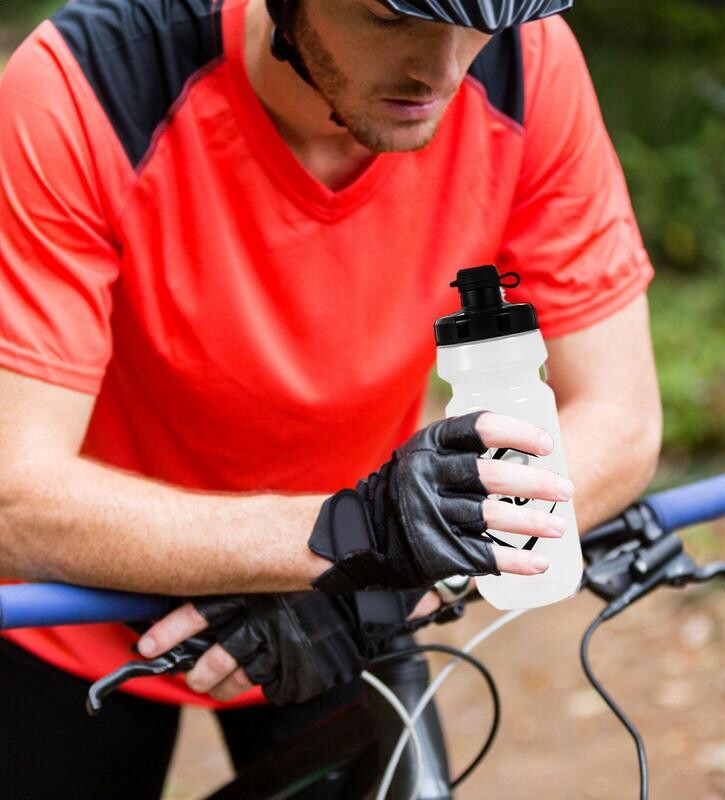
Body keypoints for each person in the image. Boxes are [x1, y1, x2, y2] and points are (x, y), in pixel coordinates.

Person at [0, 0, 662, 796]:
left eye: (475, 29)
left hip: (350, 593)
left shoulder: (526, 62)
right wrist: (348, 537)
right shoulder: (87, 84)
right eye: (388, 19)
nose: (445, 69)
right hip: (67, 611)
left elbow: (620, 420)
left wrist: (390, 578)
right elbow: (13, 498)